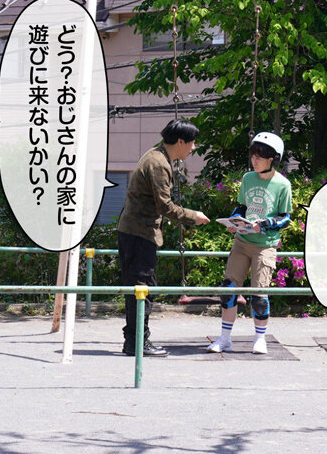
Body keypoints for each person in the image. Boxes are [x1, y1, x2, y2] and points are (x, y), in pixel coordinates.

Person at [117, 119, 210, 357]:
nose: (193, 148)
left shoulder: (155, 155)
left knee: (138, 289)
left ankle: (134, 341)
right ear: (180, 141)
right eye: (191, 143)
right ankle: (138, 342)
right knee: (142, 290)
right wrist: (193, 216)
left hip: (135, 232)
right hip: (140, 234)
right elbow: (165, 206)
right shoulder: (159, 164)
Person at [207, 132, 292, 355]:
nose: (254, 161)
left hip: (265, 245)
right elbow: (241, 207)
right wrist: (234, 221)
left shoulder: (282, 185)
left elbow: (285, 218)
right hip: (242, 242)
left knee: (259, 296)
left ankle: (260, 339)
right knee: (228, 290)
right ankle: (225, 338)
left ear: (272, 159)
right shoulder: (247, 178)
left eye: (259, 157)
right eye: (253, 156)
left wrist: (264, 224)